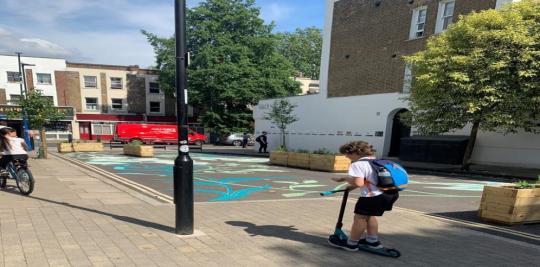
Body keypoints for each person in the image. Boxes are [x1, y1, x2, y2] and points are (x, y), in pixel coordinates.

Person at [329, 141, 399, 251]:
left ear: (353, 152)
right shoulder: (377, 161)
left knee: (360, 219)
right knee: (370, 216)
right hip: (389, 194)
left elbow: (359, 182)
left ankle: (352, 244)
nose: (346, 157)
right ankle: (372, 241)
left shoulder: (357, 164)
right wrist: (350, 187)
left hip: (372, 197)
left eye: (346, 154)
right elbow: (369, 180)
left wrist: (344, 178)